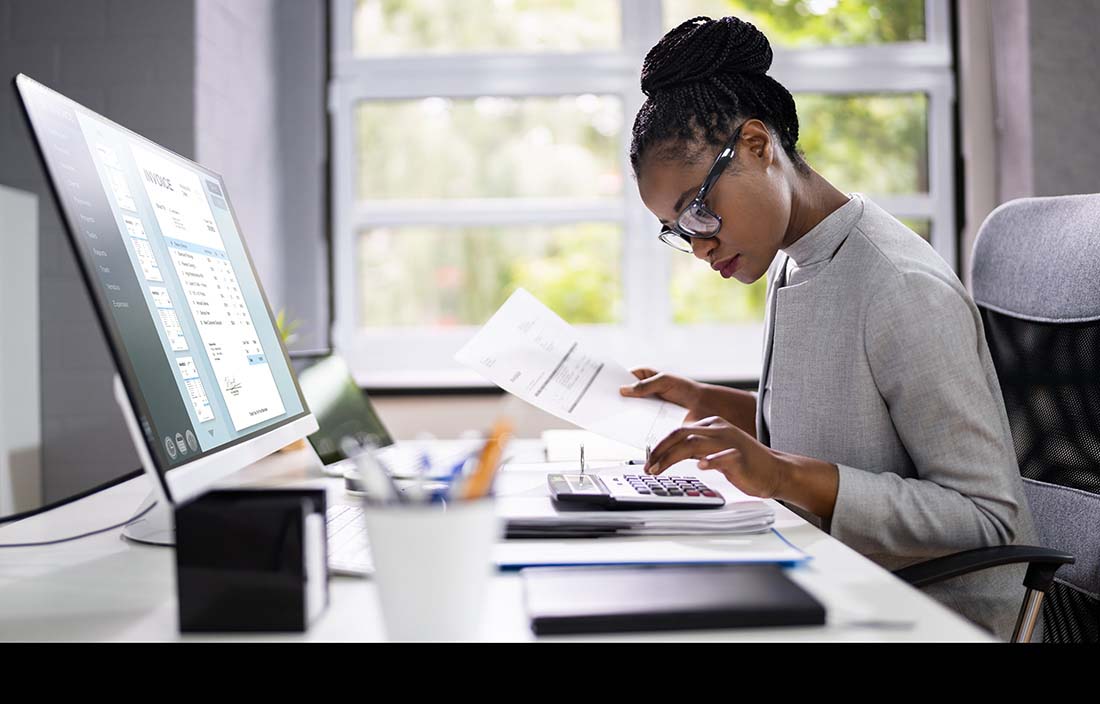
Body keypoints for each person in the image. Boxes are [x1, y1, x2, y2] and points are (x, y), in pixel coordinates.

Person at [619, 15, 1040, 642]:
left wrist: (782, 476)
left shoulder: (900, 286)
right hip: (835, 576)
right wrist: (710, 404)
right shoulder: (797, 258)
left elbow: (987, 519)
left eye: (699, 210)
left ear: (759, 147)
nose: (700, 245)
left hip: (935, 615)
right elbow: (851, 427)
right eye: (680, 230)